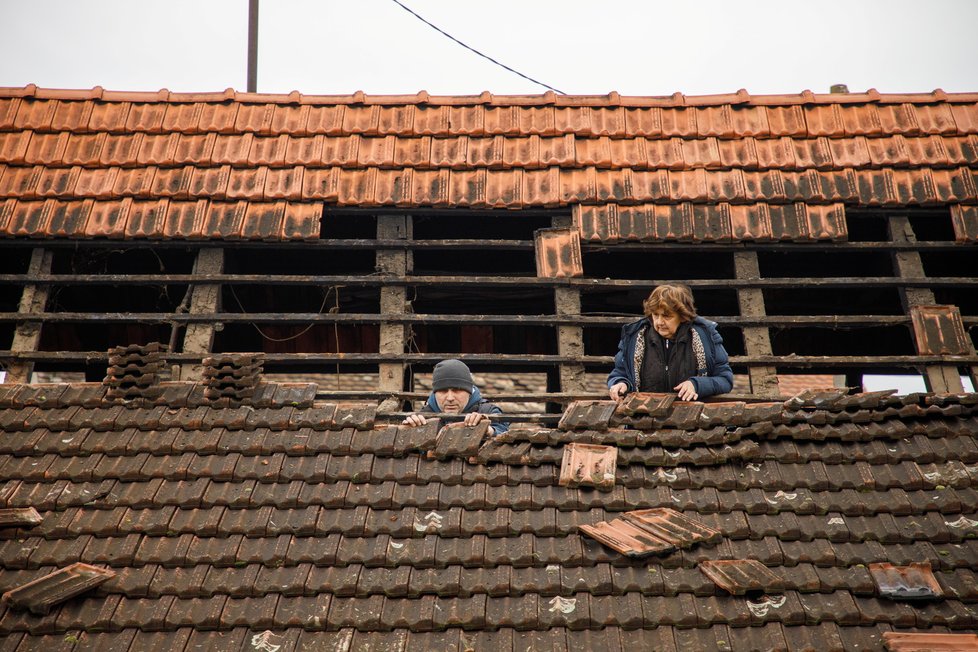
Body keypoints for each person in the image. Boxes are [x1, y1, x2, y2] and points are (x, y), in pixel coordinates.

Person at [607, 284, 733, 402]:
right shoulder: (634, 337)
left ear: (682, 316)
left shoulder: (706, 336)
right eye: (655, 315)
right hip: (643, 418)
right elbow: (619, 373)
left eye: (667, 316)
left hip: (691, 419)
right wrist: (621, 383)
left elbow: (725, 380)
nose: (659, 322)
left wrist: (696, 384)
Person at [403, 359, 509, 435]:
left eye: (457, 390)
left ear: (469, 392)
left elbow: (504, 433)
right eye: (443, 391)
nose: (450, 398)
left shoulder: (488, 411)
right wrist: (411, 431)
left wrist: (487, 430)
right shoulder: (424, 417)